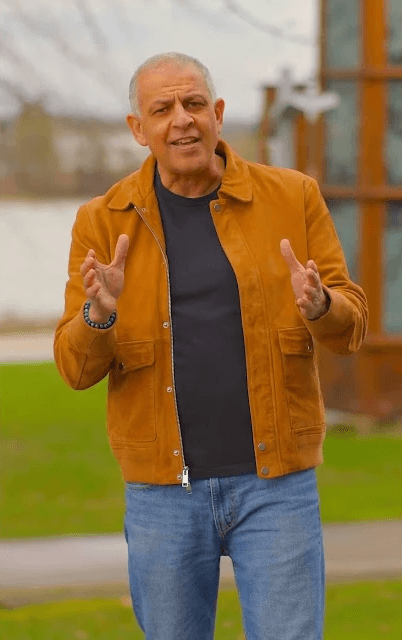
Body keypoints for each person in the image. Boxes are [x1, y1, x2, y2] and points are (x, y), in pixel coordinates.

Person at [54, 52, 368, 640]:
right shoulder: (102, 221)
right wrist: (100, 313)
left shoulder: (293, 196)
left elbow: (350, 329)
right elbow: (75, 368)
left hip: (277, 486)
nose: (182, 119)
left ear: (218, 114)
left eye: (194, 103)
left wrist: (320, 305)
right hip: (162, 494)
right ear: (138, 128)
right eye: (162, 109)